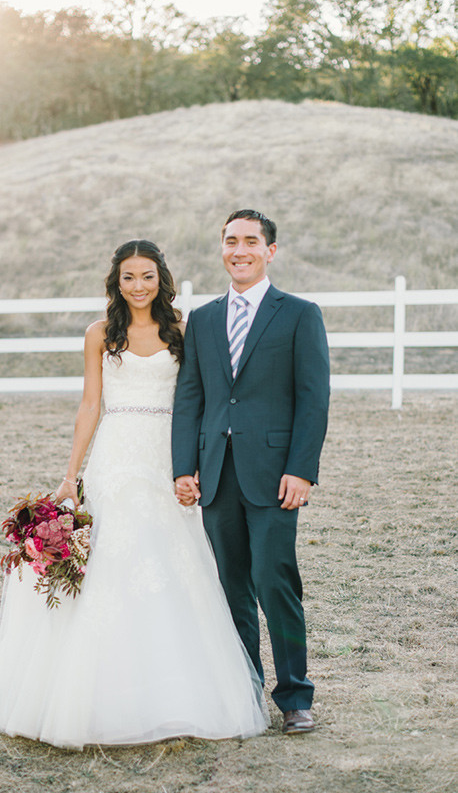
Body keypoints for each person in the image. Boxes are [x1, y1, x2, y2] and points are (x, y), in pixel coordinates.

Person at [0, 239, 268, 749]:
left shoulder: (183, 329)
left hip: (167, 456)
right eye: (128, 277)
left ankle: (179, 690)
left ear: (162, 279)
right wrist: (71, 476)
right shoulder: (98, 335)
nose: (138, 286)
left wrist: (192, 464)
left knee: (175, 557)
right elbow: (90, 406)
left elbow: (196, 400)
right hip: (115, 454)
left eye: (147, 276)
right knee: (110, 559)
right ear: (116, 281)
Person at [172, 210, 330, 735]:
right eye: (230, 241)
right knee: (230, 586)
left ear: (270, 250)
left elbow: (313, 399)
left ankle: (295, 697)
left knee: (273, 580)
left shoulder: (299, 315)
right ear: (222, 248)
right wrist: (183, 468)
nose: (239, 250)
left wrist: (302, 470)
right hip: (215, 474)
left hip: (275, 475)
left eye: (250, 241)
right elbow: (190, 396)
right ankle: (244, 692)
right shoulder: (204, 318)